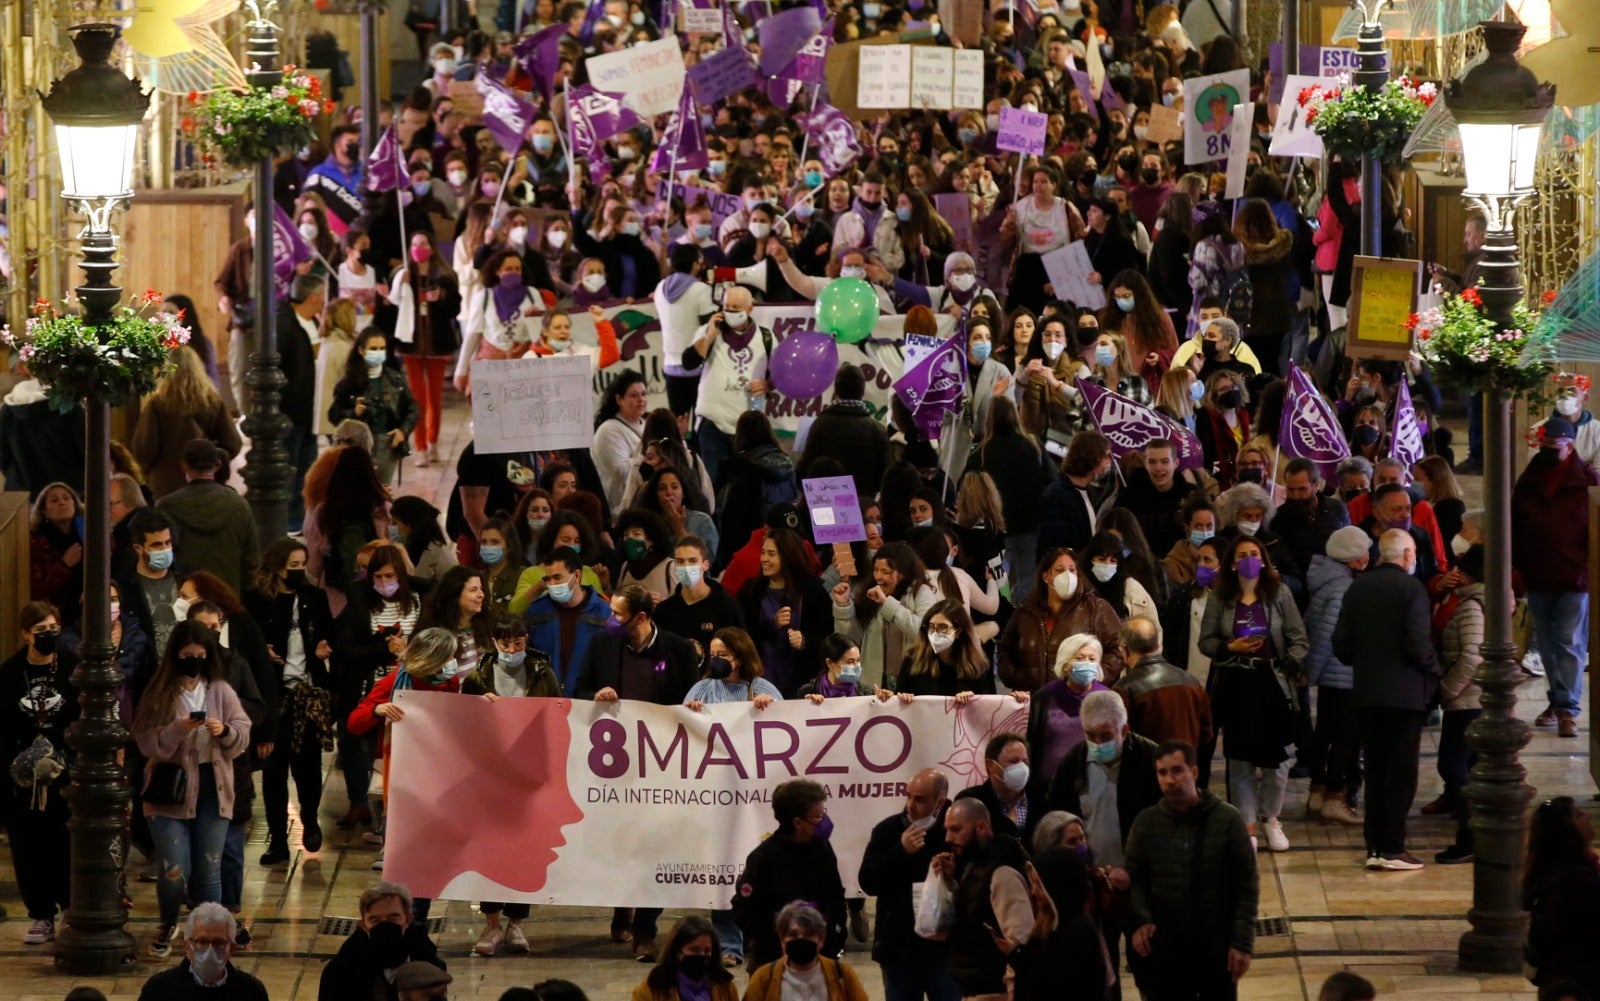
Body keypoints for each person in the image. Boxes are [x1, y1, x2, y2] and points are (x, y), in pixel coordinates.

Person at [134, 620, 252, 956]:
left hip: (213, 790)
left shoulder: (220, 690)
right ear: (175, 656)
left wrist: (224, 731)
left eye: (200, 656)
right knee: (174, 867)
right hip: (169, 791)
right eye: (188, 656)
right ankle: (168, 920)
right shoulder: (161, 691)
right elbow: (147, 742)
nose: (194, 662)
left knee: (209, 866)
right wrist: (178, 729)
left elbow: (242, 731)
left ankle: (209, 930)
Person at [1333, 529, 1439, 871]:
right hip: (1406, 696)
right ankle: (1393, 847)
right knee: (1401, 774)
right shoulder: (1412, 589)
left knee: (1376, 771)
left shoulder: (1358, 587)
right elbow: (1418, 644)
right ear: (1408, 556)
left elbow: (1342, 645)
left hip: (1367, 694)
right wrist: (1436, 670)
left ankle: (1375, 846)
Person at [1043, 689, 1160, 992]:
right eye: (1089, 736)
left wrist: (1136, 874)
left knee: (1152, 971)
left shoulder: (1151, 761)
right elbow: (1057, 819)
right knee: (1101, 979)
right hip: (1094, 887)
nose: (1097, 744)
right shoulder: (1074, 762)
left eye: (1105, 736)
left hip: (1142, 889)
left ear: (1124, 730)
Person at [1125, 740, 1258, 1001]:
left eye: (1177, 771)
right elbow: (1135, 878)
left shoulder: (1227, 820)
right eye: (1162, 773)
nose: (1169, 780)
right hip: (1166, 950)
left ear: (1194, 772)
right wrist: (1142, 919)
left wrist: (1242, 943)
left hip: (1215, 949)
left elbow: (1246, 885)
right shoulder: (1146, 823)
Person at [1199, 534, 1307, 853]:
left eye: (1254, 553)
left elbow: (1299, 638)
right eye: (1242, 554)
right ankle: (1246, 825)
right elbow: (1205, 641)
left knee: (1277, 760)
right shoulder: (1221, 597)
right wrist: (1228, 646)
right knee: (1241, 760)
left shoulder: (1279, 593)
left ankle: (1271, 817)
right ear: (1232, 564)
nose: (1249, 559)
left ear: (1263, 560)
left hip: (1272, 681)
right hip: (1236, 682)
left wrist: (1289, 663)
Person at [244, 538, 336, 866]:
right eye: (291, 566)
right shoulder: (259, 600)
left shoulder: (314, 597)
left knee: (309, 770)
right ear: (277, 566)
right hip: (275, 697)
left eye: (301, 565)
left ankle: (310, 819)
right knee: (273, 772)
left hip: (307, 696)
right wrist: (263, 653)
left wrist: (324, 647)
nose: (297, 572)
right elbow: (247, 641)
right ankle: (278, 842)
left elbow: (329, 634)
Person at [1513, 417, 1598, 739]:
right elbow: (1516, 524)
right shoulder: (1530, 478)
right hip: (1537, 575)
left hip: (1574, 579)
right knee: (1546, 648)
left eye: (1555, 447)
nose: (1548, 452)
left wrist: (1586, 565)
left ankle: (1567, 708)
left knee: (1569, 644)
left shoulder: (1587, 480)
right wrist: (1518, 567)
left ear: (1570, 446)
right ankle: (1558, 701)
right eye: (1544, 446)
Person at [1, 602, 77, 944]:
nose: (47, 637)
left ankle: (71, 906)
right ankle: (41, 913)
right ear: (25, 634)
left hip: (65, 770)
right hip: (23, 775)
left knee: (64, 842)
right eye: (40, 631)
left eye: (52, 629)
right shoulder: (10, 672)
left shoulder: (72, 667)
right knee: (29, 845)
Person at [857, 768, 958, 1001]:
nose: (911, 804)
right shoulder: (888, 830)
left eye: (920, 799)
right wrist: (900, 852)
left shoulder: (955, 832)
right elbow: (868, 882)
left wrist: (953, 872)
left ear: (939, 802)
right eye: (908, 796)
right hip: (898, 950)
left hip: (944, 951)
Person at [731, 779, 848, 970]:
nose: (825, 821)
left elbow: (835, 897)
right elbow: (743, 910)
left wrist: (835, 940)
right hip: (773, 961)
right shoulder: (763, 858)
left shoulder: (823, 849)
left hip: (820, 957)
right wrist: (785, 934)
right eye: (819, 816)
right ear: (798, 822)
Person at [1301, 526, 1370, 827]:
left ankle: (1317, 792)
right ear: (1355, 559)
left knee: (1325, 733)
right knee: (1346, 737)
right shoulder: (1345, 588)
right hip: (1343, 674)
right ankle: (1333, 797)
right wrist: (1311, 674)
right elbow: (1327, 636)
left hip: (1332, 676)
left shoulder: (1327, 581)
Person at [932, 797, 1033, 1000]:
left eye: (956, 829)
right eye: (947, 830)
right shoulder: (974, 865)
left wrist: (1015, 989)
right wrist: (951, 883)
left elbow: (1021, 940)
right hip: (975, 989)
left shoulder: (1002, 873)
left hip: (996, 993)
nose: (948, 838)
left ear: (981, 827)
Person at [680, 285, 772, 485]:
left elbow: (778, 377)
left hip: (748, 427)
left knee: (746, 487)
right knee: (713, 486)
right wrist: (710, 335)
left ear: (750, 308)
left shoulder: (766, 337)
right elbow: (689, 363)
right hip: (712, 425)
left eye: (736, 307)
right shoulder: (708, 331)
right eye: (726, 306)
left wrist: (767, 385)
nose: (730, 311)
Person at [998, 548, 1124, 692]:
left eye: (1072, 570)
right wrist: (1015, 678)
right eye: (1060, 570)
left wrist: (1092, 678)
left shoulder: (1095, 608)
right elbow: (1004, 648)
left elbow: (1119, 648)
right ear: (1046, 577)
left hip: (1078, 701)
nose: (1067, 575)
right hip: (1032, 701)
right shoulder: (1025, 611)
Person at [1431, 542, 1485, 865]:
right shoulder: (1478, 600)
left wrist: (1447, 690)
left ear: (1466, 575)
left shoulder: (1471, 607)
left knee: (1453, 764)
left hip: (1467, 700)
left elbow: (1471, 656)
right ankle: (1475, 835)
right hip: (1474, 699)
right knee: (1470, 768)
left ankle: (1471, 837)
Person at [130, 346, 242, 499]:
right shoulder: (212, 401)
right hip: (204, 482)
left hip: (166, 484)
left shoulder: (158, 403)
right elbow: (233, 443)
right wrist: (211, 464)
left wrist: (149, 471)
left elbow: (144, 448)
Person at [155, 440, 260, 597]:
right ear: (217, 465)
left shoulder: (167, 506)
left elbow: (161, 555)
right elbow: (251, 559)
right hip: (229, 594)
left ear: (184, 465)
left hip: (184, 595)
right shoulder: (239, 504)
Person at [735, 528, 831, 698]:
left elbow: (829, 639)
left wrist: (805, 641)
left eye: (771, 554)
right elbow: (740, 638)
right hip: (758, 686)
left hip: (802, 688)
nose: (764, 559)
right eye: (763, 553)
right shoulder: (750, 591)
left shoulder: (813, 591)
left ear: (787, 556)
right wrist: (771, 625)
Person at [1007, 847, 1111, 1001]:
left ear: (1056, 887)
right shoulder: (1054, 925)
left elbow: (1054, 987)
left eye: (1039, 885)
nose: (1033, 892)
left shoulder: (1076, 933)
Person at [1522, 797, 1600, 999]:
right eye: (1579, 815)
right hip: (1577, 987)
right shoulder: (1575, 882)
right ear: (1567, 831)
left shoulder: (1559, 873)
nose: (1588, 815)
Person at [317, 881, 446, 1001]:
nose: (385, 926)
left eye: (393, 918)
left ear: (408, 919)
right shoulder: (340, 973)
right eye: (375, 921)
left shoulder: (431, 967)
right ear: (363, 925)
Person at [329, 329, 420, 486]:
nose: (378, 353)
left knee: (383, 492)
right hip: (358, 446)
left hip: (387, 444)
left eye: (381, 349)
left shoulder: (395, 379)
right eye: (373, 349)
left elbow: (412, 408)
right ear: (361, 350)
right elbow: (334, 415)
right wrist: (353, 412)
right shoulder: (348, 383)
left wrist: (403, 431)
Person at [523, 548, 613, 696]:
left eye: (557, 578)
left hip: (589, 705)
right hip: (546, 702)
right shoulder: (536, 612)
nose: (552, 584)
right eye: (548, 579)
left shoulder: (605, 613)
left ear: (577, 576)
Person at [135, 903, 269, 1001]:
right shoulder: (159, 989)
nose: (209, 950)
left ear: (231, 948)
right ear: (187, 946)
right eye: (201, 942)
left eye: (218, 943)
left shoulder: (251, 991)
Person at [797, 365, 892, 503]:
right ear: (862, 391)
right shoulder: (877, 430)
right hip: (864, 506)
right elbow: (884, 477)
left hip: (827, 504)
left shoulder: (821, 425)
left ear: (836, 390)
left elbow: (804, 471)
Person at [1114, 616, 1213, 748]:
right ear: (1158, 644)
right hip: (1186, 765)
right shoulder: (1192, 682)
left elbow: (1119, 739)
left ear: (1124, 649)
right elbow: (1206, 734)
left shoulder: (1123, 689)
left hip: (1145, 766)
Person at [275, 274, 324, 532]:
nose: (324, 301)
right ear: (314, 296)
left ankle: (300, 519)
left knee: (307, 470)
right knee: (290, 472)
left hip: (307, 413)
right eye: (322, 296)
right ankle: (288, 522)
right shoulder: (284, 325)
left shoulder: (309, 322)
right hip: (290, 414)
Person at [742, 901, 871, 1001]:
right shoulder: (764, 978)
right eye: (793, 934)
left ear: (821, 939)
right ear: (782, 939)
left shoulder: (843, 976)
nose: (800, 939)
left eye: (809, 934)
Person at [654, 536, 743, 664]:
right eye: (680, 561)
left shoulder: (726, 607)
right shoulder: (664, 611)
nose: (686, 567)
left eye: (692, 561)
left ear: (705, 565)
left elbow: (741, 653)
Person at [1112, 438, 1204, 558]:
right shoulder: (1128, 498)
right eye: (1152, 462)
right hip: (1145, 568)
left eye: (1164, 461)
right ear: (1145, 463)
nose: (1158, 467)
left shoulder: (1192, 494)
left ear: (1175, 463)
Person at [1269, 458, 1350, 577]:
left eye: (1302, 489)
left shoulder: (1337, 508)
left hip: (1333, 582)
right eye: (1291, 489)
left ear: (1316, 485)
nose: (1296, 496)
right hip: (1298, 586)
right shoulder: (1278, 518)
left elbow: (1348, 546)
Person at [955, 733, 1040, 844]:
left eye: (1024, 762)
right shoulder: (969, 802)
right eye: (1014, 762)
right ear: (991, 765)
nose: (1022, 768)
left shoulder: (1039, 799)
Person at [630, 915, 740, 1001]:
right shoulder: (651, 990)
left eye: (707, 950)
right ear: (676, 951)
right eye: (694, 950)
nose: (701, 955)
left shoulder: (726, 987)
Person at [27, 483, 86, 628]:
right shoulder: (37, 543)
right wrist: (65, 565)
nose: (62, 502)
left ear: (75, 504)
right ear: (45, 512)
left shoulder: (86, 532)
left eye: (67, 498)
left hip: (89, 610)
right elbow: (37, 591)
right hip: (57, 617)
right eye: (54, 500)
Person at [593, 371, 650, 516]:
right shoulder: (609, 430)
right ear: (619, 399)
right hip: (620, 512)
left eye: (643, 394)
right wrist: (650, 457)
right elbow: (621, 471)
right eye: (634, 395)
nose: (641, 400)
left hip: (645, 506)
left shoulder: (647, 424)